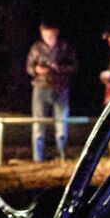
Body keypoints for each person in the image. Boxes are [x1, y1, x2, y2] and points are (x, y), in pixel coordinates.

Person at [25, 21, 76, 163]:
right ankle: (38, 157)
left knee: (61, 122)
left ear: (56, 32)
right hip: (40, 87)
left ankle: (62, 155)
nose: (48, 34)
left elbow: (73, 66)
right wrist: (37, 70)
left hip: (60, 87)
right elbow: (29, 67)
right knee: (38, 122)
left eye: (51, 31)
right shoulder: (36, 48)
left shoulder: (64, 47)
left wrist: (58, 68)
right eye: (45, 32)